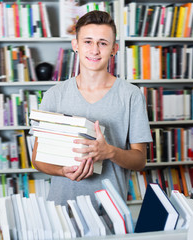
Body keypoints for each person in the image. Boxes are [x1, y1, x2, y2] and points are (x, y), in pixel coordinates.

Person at [31, 10, 152, 206]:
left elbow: (140, 161)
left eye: (103, 43)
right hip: (62, 210)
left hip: (110, 211)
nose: (94, 50)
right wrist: (62, 171)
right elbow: (37, 159)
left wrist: (110, 152)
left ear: (114, 49)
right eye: (88, 41)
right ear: (75, 45)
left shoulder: (131, 95)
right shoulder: (54, 95)